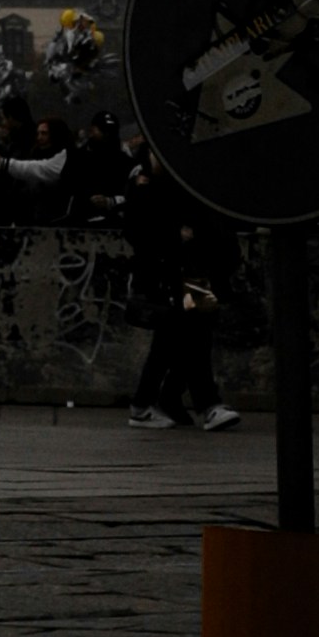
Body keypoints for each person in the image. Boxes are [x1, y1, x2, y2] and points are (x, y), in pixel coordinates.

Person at [121, 157, 236, 433]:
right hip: (174, 277)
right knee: (186, 341)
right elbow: (139, 230)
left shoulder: (166, 182)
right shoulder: (154, 184)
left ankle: (164, 402)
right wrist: (176, 235)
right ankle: (202, 404)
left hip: (187, 275)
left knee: (183, 342)